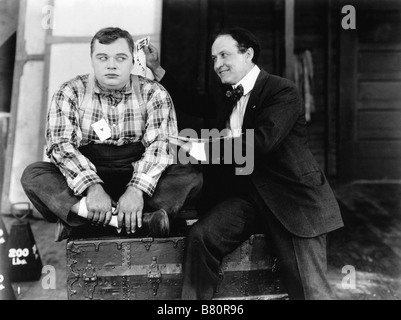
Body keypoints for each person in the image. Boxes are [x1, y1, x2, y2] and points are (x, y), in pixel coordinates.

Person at [145, 27, 344, 300]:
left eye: (224, 55)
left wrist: (203, 148)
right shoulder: (226, 94)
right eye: (214, 58)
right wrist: (157, 69)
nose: (217, 64)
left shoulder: (281, 91)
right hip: (249, 199)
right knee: (201, 237)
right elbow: (194, 101)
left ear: (248, 54)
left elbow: (260, 143)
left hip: (292, 200)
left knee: (310, 292)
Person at [20, 27, 202, 241]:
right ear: (92, 60)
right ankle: (140, 221)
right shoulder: (70, 91)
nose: (111, 65)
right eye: (102, 57)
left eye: (121, 58)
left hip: (138, 173)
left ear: (133, 61)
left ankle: (85, 221)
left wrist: (136, 190)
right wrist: (92, 187)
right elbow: (60, 146)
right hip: (89, 173)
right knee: (34, 175)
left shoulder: (154, 93)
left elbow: (160, 146)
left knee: (190, 174)